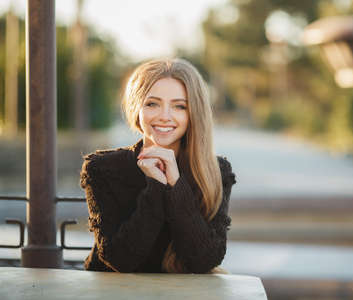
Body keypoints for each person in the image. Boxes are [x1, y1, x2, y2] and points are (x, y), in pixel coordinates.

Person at [79, 58, 236, 274]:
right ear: (137, 107)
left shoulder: (216, 172)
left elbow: (206, 260)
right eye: (152, 103)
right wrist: (156, 185)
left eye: (179, 106)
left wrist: (175, 184)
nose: (164, 116)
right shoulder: (102, 169)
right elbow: (120, 260)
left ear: (194, 114)